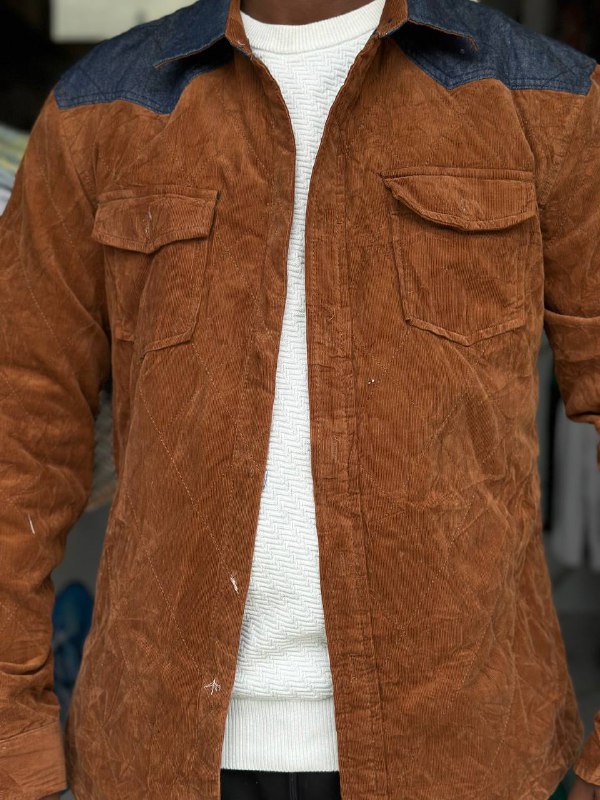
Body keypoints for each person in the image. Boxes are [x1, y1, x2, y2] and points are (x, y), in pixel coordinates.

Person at [1, 0, 600, 797]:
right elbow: (20, 432)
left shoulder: (544, 99)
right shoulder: (102, 108)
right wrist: (14, 744)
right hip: (159, 751)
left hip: (465, 755)